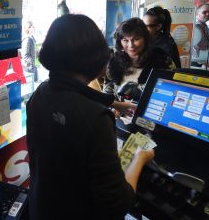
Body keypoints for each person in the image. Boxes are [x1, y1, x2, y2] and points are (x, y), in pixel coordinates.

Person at [26, 14, 155, 220]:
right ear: (96, 58)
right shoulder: (95, 118)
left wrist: (114, 103)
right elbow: (118, 203)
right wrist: (139, 158)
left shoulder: (40, 94)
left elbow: (73, 91)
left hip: (42, 207)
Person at [104, 18, 176, 102]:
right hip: (121, 114)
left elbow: (171, 93)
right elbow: (107, 95)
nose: (131, 45)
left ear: (145, 39)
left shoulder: (162, 59)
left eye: (136, 39)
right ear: (120, 42)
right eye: (125, 40)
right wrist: (115, 108)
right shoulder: (114, 63)